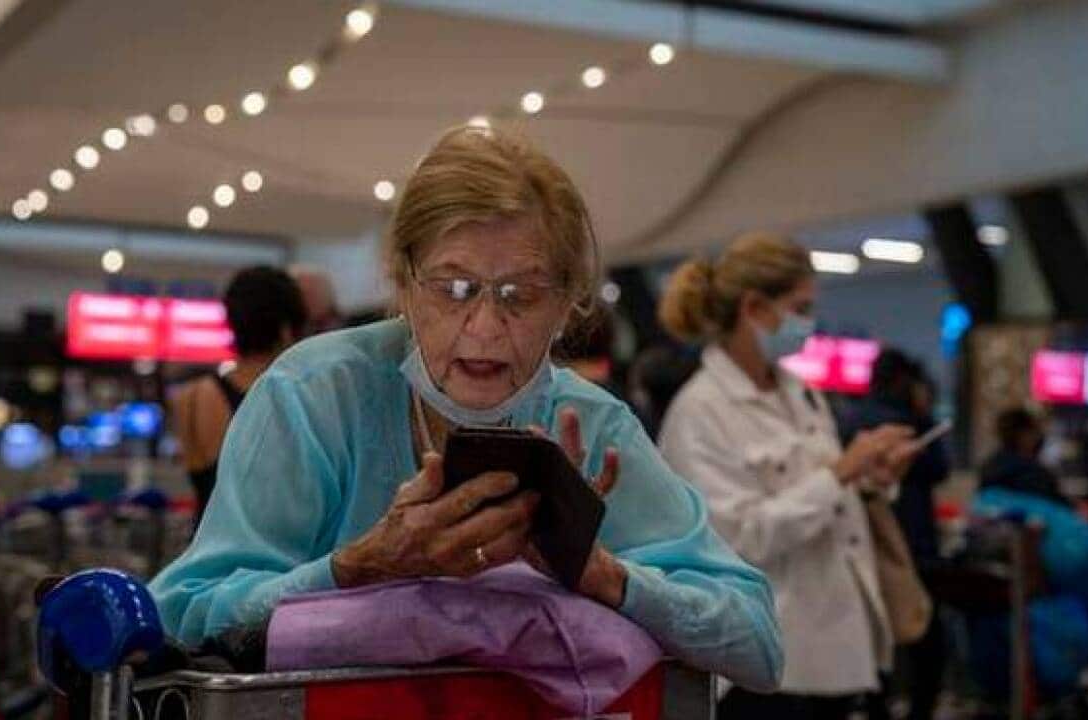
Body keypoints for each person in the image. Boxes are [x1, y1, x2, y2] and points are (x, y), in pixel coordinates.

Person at [149, 125, 784, 692]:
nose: (483, 328)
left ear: (568, 304)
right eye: (453, 290)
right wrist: (357, 566)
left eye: (522, 294)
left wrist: (606, 576)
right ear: (403, 283)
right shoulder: (316, 396)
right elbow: (182, 613)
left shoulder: (593, 427)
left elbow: (757, 644)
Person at [656, 232, 917, 720]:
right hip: (767, 661)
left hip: (835, 646)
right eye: (800, 308)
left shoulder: (801, 393)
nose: (808, 324)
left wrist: (872, 478)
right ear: (754, 307)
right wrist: (839, 474)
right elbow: (734, 539)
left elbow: (826, 493)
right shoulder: (700, 412)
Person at [843, 349, 950, 720]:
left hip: (862, 545)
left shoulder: (850, 418)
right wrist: (924, 414)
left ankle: (876, 709)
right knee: (926, 640)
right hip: (910, 547)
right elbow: (939, 468)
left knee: (877, 644)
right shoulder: (909, 424)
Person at [170, 266, 306, 528]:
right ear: (287, 329)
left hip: (202, 551)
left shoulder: (191, 396)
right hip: (263, 559)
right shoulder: (289, 397)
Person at [978, 407, 1066, 505]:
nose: (1038, 438)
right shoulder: (1032, 472)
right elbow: (1057, 507)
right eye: (1034, 432)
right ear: (1024, 436)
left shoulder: (989, 467)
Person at [289, 264, 344, 336]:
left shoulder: (351, 327)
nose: (309, 299)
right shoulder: (288, 332)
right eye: (304, 293)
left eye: (315, 292)